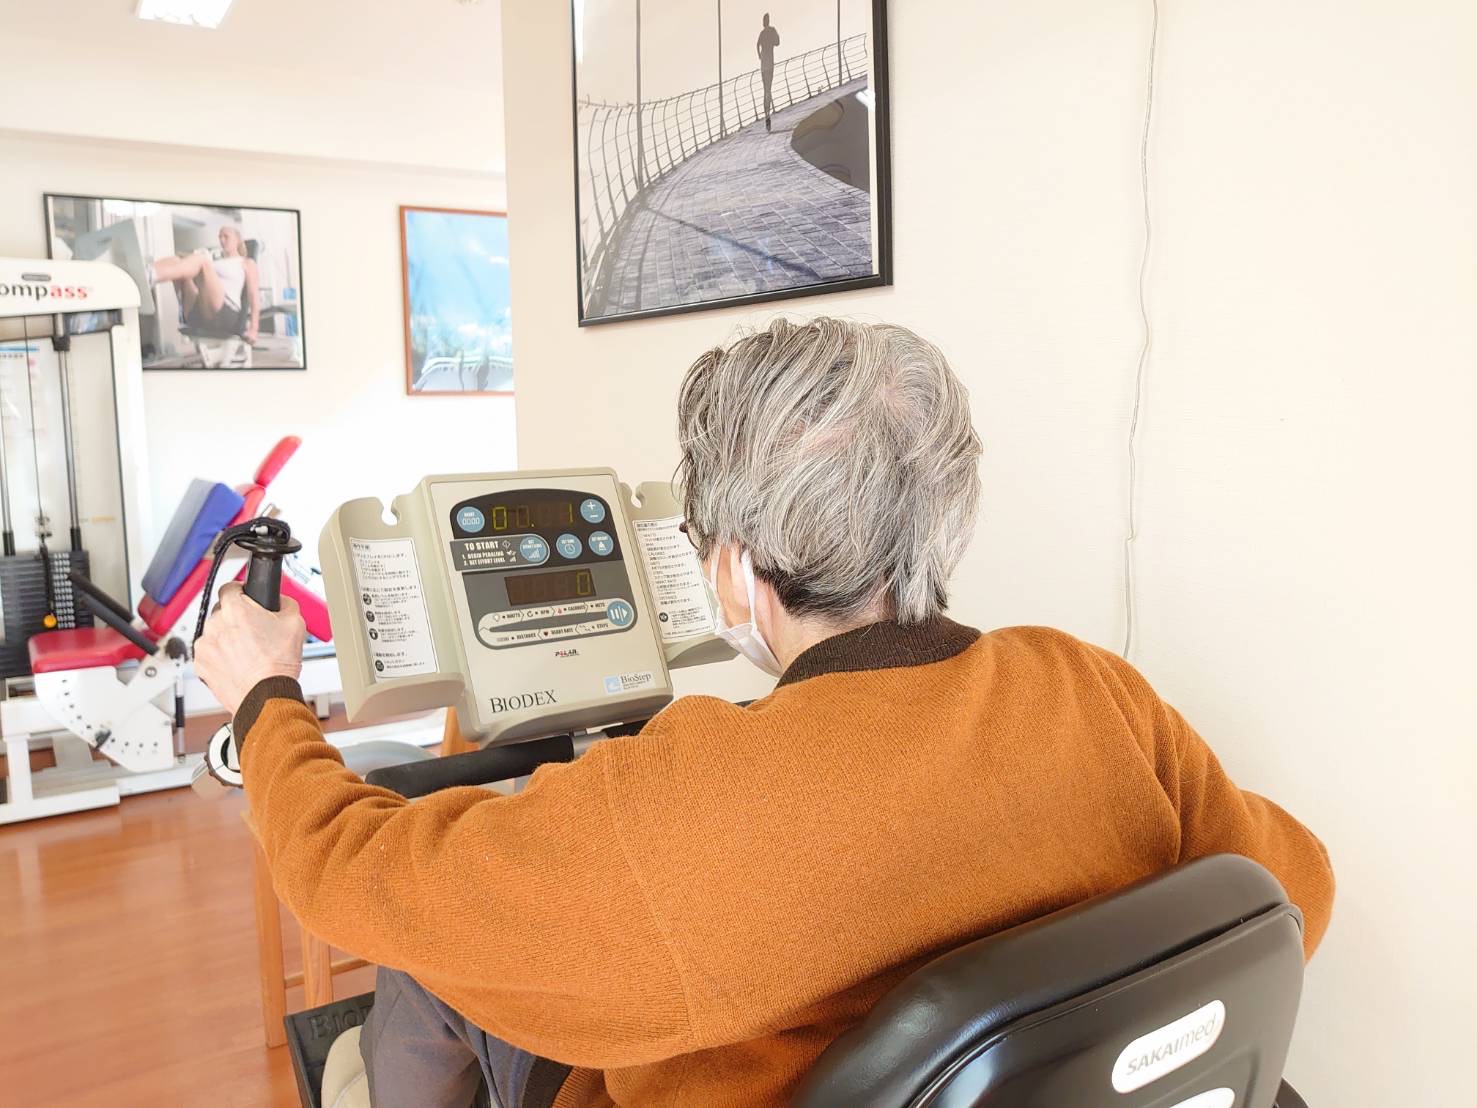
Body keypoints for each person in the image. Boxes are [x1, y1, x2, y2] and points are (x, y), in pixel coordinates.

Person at [195, 317, 1335, 1108]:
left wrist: (265, 700)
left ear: (735, 568)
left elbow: (343, 868)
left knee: (427, 954)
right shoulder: (1089, 689)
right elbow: (1292, 893)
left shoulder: (682, 808)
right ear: (942, 517)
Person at [148, 224, 260, 345]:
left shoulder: (246, 263)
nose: (222, 240)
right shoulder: (215, 261)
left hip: (226, 313)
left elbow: (253, 295)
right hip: (199, 313)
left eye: (226, 236)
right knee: (177, 259)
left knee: (201, 259)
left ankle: (151, 275)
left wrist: (253, 329)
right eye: (220, 237)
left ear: (237, 239)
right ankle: (147, 272)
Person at [757, 13, 780, 131]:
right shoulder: (771, 31)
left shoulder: (763, 33)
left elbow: (757, 45)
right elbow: (777, 42)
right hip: (769, 65)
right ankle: (767, 115)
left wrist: (759, 55)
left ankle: (767, 115)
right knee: (768, 90)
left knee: (766, 90)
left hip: (764, 65)